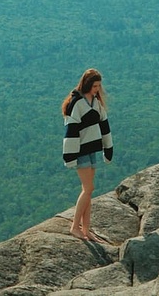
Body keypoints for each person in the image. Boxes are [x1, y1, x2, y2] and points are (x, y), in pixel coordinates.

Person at [61, 67, 113, 240]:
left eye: (98, 86)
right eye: (94, 85)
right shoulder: (76, 103)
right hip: (81, 150)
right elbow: (71, 130)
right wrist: (69, 156)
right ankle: (75, 227)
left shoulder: (95, 102)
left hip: (93, 149)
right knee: (89, 188)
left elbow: (104, 125)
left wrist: (108, 148)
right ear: (87, 84)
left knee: (88, 190)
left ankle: (86, 229)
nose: (97, 89)